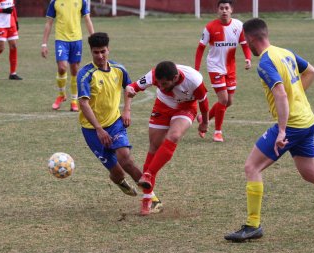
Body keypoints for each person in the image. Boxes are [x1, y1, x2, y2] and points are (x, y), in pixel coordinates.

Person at [224, 18, 314, 242]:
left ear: (253, 38)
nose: (245, 44)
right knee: (311, 173)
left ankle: (253, 225)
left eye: (245, 40)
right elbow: (312, 72)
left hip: (292, 125)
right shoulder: (284, 52)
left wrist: (282, 131)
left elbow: (281, 94)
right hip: (307, 121)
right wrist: (297, 97)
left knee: (252, 167)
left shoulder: (266, 62)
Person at [126, 61, 209, 215]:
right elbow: (133, 86)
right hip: (162, 106)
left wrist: (204, 122)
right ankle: (147, 200)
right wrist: (130, 93)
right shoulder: (153, 75)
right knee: (154, 147)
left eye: (164, 84)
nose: (161, 87)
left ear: (176, 77)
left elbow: (203, 103)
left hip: (186, 108)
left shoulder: (194, 80)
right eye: (159, 84)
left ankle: (148, 174)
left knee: (174, 135)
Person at [77, 32, 140, 199]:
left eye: (103, 51)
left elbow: (128, 88)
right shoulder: (85, 74)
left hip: (114, 123)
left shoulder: (119, 69)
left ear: (108, 50)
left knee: (125, 158)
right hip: (92, 130)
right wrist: (98, 129)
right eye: (96, 52)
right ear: (91, 52)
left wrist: (127, 110)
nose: (100, 55)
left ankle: (152, 197)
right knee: (118, 173)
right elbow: (83, 104)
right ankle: (120, 182)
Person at [195, 0, 251, 142]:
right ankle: (217, 132)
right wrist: (196, 69)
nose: (224, 11)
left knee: (229, 101)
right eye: (221, 8)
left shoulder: (239, 26)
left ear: (231, 10)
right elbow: (200, 48)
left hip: (230, 67)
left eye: (227, 8)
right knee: (223, 99)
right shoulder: (210, 27)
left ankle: (203, 118)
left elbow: (244, 44)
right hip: (215, 67)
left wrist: (248, 59)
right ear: (217, 10)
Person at [42, 0, 94, 112]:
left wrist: (94, 40)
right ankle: (61, 95)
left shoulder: (81, 1)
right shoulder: (54, 2)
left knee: (75, 71)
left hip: (76, 40)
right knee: (62, 68)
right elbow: (49, 23)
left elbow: (87, 20)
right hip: (61, 40)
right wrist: (44, 44)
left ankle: (74, 101)